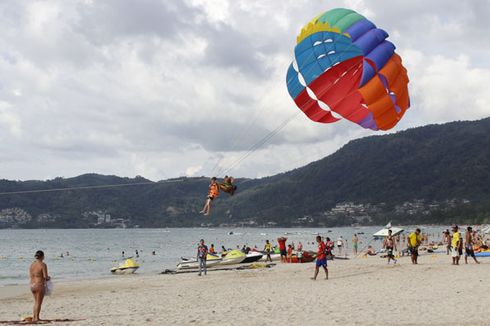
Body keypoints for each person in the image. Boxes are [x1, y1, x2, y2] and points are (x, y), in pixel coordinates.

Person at [29, 250, 50, 323]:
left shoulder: (32, 265)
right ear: (42, 257)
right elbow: (45, 276)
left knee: (36, 302)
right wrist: (49, 278)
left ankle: (35, 317)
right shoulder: (43, 264)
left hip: (32, 285)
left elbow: (31, 275)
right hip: (39, 285)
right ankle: (36, 318)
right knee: (38, 302)